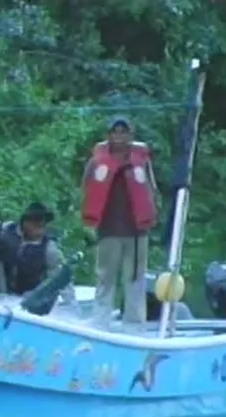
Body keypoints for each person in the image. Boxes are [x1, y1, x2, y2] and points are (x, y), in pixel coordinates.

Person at [81, 116, 159, 328]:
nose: (119, 136)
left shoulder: (142, 161)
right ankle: (100, 321)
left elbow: (151, 189)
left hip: (136, 233)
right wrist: (90, 225)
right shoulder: (97, 161)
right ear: (109, 136)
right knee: (105, 277)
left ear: (131, 136)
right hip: (108, 230)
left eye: (124, 132)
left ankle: (134, 322)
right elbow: (87, 189)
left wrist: (151, 217)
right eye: (115, 132)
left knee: (135, 278)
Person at [0, 202, 76, 303]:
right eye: (36, 222)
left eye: (43, 224)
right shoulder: (2, 231)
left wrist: (71, 307)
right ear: (25, 221)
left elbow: (61, 279)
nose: (40, 226)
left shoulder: (49, 249)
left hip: (26, 302)